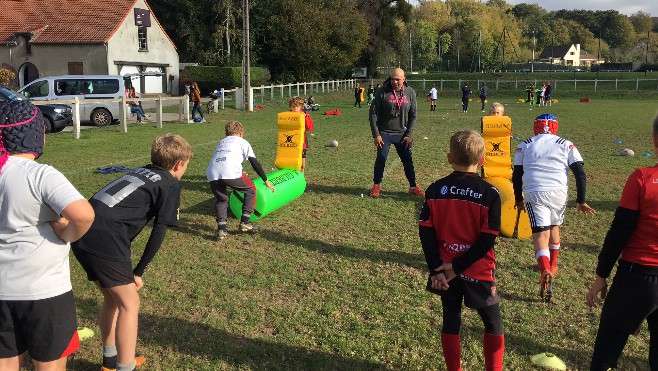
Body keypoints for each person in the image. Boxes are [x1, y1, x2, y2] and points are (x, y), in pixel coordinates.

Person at [72, 134, 193, 371]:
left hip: (82, 232)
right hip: (105, 238)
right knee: (130, 304)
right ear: (179, 165)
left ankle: (110, 361)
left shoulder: (142, 171)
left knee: (112, 299)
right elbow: (159, 229)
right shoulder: (170, 182)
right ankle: (126, 367)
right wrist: (138, 272)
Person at [0, 100, 94, 371]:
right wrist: (67, 233)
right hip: (44, 292)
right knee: (49, 364)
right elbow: (84, 215)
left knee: (5, 361)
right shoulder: (40, 175)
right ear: (36, 133)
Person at [419, 129, 504, 371]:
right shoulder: (490, 194)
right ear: (483, 159)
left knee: (451, 321)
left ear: (449, 158)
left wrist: (438, 269)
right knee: (494, 324)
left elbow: (426, 233)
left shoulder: (435, 190)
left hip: (444, 273)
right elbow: (487, 241)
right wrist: (456, 268)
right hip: (477, 271)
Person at [586, 112, 658, 370]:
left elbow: (619, 231)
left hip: (636, 278)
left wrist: (600, 275)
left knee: (605, 354)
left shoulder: (642, 179)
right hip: (639, 276)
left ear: (654, 141)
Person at [512, 114, 596, 303]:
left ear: (536, 127)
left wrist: (518, 199)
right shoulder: (566, 144)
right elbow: (580, 174)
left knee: (540, 235)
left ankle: (545, 269)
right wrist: (581, 200)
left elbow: (516, 174)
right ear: (555, 127)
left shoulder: (524, 145)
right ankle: (554, 265)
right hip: (558, 193)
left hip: (535, 192)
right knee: (554, 227)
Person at [206, 121, 275, 240]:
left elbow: (225, 158)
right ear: (241, 133)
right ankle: (245, 222)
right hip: (230, 172)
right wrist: (265, 180)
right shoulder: (242, 142)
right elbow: (254, 163)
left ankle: (221, 230)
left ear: (226, 133)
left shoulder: (221, 142)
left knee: (222, 199)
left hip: (212, 173)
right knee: (251, 190)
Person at [368, 68, 424, 198]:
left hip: (402, 134)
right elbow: (373, 114)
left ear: (404, 79)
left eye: (398, 79)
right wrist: (376, 134)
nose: (395, 82)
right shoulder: (382, 91)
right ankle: (376, 185)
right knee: (381, 158)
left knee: (407, 160)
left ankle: (413, 186)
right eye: (393, 79)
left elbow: (413, 115)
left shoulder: (410, 93)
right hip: (384, 133)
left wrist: (409, 135)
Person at [289, 96, 315, 173]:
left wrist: (305, 117)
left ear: (301, 107)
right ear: (290, 107)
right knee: (292, 164)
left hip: (302, 142)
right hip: (290, 142)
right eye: (293, 106)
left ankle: (302, 179)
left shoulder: (305, 115)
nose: (295, 108)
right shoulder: (287, 116)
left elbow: (310, 128)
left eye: (297, 106)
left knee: (302, 165)